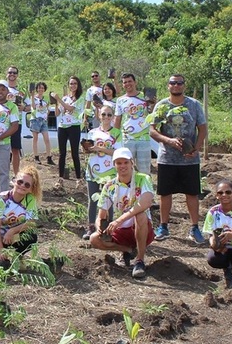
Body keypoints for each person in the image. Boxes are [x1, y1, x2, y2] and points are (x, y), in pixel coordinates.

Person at [150, 75, 208, 244]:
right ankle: (163, 226)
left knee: (192, 193)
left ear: (184, 85)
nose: (176, 86)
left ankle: (195, 227)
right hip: (167, 157)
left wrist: (196, 148)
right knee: (165, 193)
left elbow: (202, 129)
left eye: (179, 83)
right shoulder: (161, 106)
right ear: (168, 86)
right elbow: (152, 130)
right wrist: (168, 141)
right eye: (173, 83)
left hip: (189, 159)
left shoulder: (194, 105)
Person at [88, 148, 156, 278]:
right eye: (119, 163)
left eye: (125, 162)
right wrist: (99, 226)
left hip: (142, 227)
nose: (122, 166)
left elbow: (146, 203)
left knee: (140, 215)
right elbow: (101, 214)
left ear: (132, 163)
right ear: (114, 165)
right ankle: (128, 251)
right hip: (122, 230)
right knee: (94, 239)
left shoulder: (143, 179)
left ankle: (140, 260)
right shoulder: (110, 186)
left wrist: (119, 220)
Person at [81, 105, 123, 239]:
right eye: (104, 114)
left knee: (108, 200)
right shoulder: (92, 132)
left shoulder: (117, 133)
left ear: (113, 117)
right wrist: (87, 149)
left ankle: (108, 228)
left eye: (109, 115)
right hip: (93, 170)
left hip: (109, 171)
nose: (106, 117)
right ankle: (91, 227)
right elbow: (87, 150)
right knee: (92, 199)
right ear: (99, 116)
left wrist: (101, 149)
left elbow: (117, 152)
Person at [114, 74, 155, 175]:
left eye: (130, 81)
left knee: (144, 169)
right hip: (127, 139)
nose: (128, 84)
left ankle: (145, 190)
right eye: (125, 82)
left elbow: (153, 114)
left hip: (144, 138)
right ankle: (129, 190)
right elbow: (117, 120)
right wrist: (114, 138)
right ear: (122, 85)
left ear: (135, 82)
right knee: (127, 169)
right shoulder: (120, 100)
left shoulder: (145, 96)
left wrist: (153, 104)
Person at [51, 76, 85, 188]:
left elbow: (70, 108)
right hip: (62, 126)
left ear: (78, 85)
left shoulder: (80, 98)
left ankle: (79, 179)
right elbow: (57, 113)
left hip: (74, 126)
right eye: (71, 84)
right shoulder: (65, 98)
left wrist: (59, 99)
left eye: (75, 83)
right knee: (62, 153)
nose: (73, 85)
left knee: (75, 153)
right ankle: (60, 178)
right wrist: (56, 103)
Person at [5, 66, 30, 176]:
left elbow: (30, 107)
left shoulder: (22, 91)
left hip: (16, 122)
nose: (12, 74)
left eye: (14, 73)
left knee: (15, 150)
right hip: (3, 123)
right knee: (3, 150)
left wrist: (23, 108)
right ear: (7, 74)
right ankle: (3, 176)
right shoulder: (2, 88)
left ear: (17, 75)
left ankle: (16, 176)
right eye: (10, 72)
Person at [29, 82, 54, 165]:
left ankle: (49, 157)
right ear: (37, 89)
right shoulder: (34, 98)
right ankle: (36, 157)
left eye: (42, 88)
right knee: (35, 139)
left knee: (47, 139)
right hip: (35, 119)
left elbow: (49, 108)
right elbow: (32, 106)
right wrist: (32, 96)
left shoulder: (46, 98)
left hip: (43, 120)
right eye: (39, 88)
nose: (41, 90)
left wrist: (46, 115)